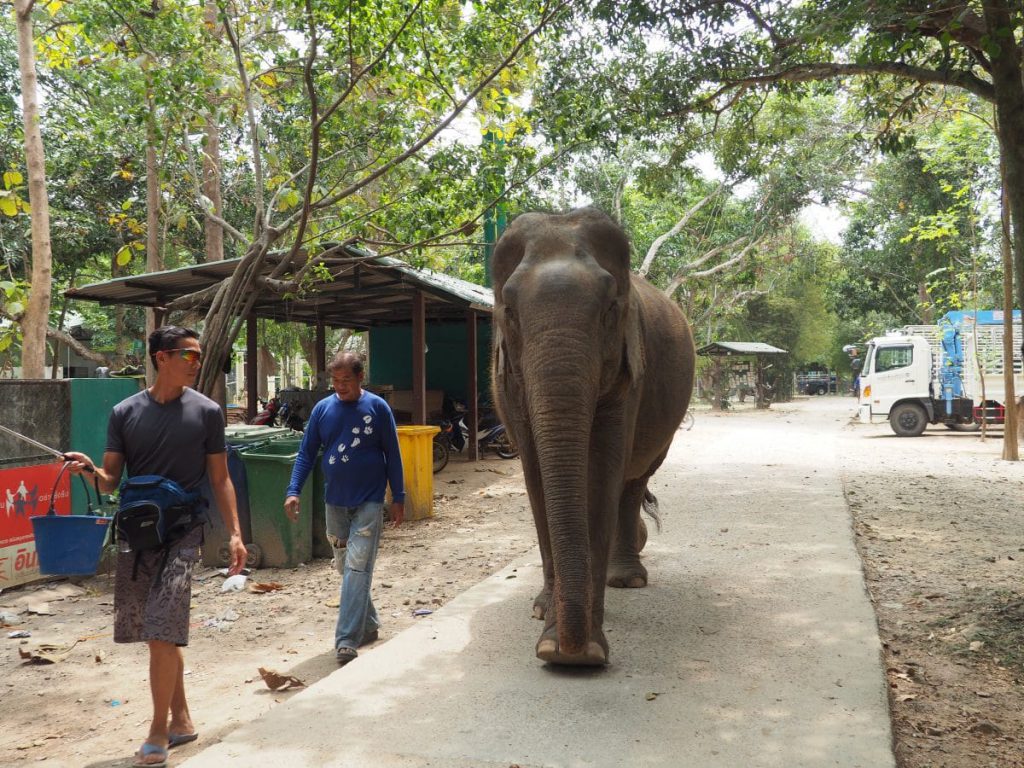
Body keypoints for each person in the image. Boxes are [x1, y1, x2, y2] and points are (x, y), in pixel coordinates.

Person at [65, 326, 247, 768]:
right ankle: (182, 717)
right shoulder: (124, 412)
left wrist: (237, 534)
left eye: (199, 355)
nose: (198, 362)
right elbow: (111, 480)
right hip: (137, 532)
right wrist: (89, 470)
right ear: (163, 357)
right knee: (157, 633)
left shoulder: (207, 412)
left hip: (183, 531)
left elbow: (220, 479)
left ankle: (158, 730)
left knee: (163, 628)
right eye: (190, 355)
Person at [284, 351, 405, 666]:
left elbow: (392, 453)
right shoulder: (323, 410)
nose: (340, 387)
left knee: (357, 567)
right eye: (335, 381)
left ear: (359, 378)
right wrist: (293, 490)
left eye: (346, 381)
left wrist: (399, 497)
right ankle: (369, 623)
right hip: (334, 501)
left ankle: (346, 640)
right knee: (345, 567)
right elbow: (306, 453)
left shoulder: (377, 408)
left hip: (370, 500)